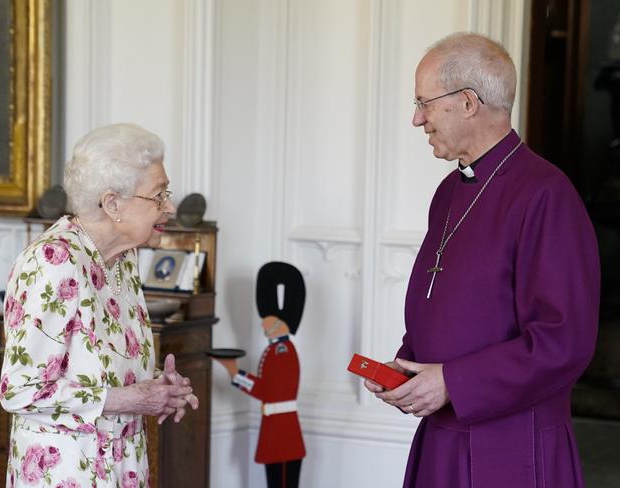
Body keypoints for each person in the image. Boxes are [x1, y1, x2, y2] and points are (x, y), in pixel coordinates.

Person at [363, 33, 600, 488]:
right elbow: (456, 306)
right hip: (442, 436)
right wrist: (409, 367)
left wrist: (453, 382)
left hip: (511, 446)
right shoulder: (449, 192)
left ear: (468, 102)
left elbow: (564, 340)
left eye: (424, 102)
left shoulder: (546, 194)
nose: (417, 119)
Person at [0, 123, 199, 487]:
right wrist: (129, 399)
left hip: (122, 469)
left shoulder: (123, 258)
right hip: (65, 473)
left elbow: (98, 371)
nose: (169, 206)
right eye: (158, 195)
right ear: (112, 203)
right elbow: (20, 390)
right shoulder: (54, 261)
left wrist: (158, 389)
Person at [214, 262, 306, 488]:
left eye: (270, 319)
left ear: (281, 324)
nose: (263, 322)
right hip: (275, 428)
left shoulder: (283, 352)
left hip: (282, 432)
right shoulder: (275, 349)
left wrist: (235, 372)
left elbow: (269, 391)